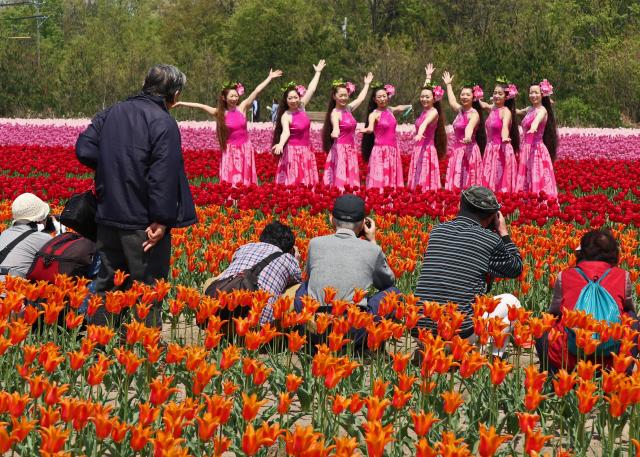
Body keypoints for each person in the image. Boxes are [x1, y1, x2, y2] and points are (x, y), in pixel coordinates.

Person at [75, 64, 197, 329]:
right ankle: (146, 347)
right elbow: (162, 176)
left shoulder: (112, 112)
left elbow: (84, 148)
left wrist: (114, 165)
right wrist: (162, 220)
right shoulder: (163, 122)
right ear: (174, 94)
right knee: (148, 287)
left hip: (108, 215)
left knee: (107, 285)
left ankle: (100, 345)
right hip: (143, 222)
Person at [414, 186, 523, 354]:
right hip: (458, 336)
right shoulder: (490, 240)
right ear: (492, 217)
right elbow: (516, 268)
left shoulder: (436, 231)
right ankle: (493, 357)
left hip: (420, 334)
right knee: (511, 302)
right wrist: (503, 232)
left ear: (460, 206)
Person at [536, 230, 637, 373]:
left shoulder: (564, 275)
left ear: (582, 252)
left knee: (542, 322)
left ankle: (550, 370)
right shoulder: (623, 276)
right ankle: (622, 370)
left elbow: (554, 311)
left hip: (566, 359)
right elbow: (628, 307)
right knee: (632, 317)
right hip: (610, 360)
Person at [295, 194, 397, 318]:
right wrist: (372, 241)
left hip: (317, 323)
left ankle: (304, 320)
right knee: (394, 293)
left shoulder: (315, 243)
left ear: (331, 219)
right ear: (363, 223)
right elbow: (387, 283)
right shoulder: (372, 250)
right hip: (354, 324)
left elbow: (311, 280)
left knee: (304, 285)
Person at [175, 69, 282, 186]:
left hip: (245, 148)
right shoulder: (220, 113)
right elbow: (201, 106)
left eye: (236, 96)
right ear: (224, 98)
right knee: (232, 181)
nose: (234, 98)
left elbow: (256, 90)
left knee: (245, 179)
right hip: (230, 150)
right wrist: (182, 103)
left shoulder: (242, 108)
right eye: (231, 96)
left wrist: (269, 78)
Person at [217, 221, 302, 325]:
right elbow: (299, 281)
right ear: (289, 248)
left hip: (219, 313)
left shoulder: (244, 247)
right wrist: (296, 259)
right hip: (257, 323)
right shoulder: (287, 258)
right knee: (297, 288)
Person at [272, 59, 326, 186]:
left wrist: (318, 72)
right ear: (286, 100)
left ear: (299, 98)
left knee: (306, 183)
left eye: (295, 97)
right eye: (290, 98)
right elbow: (285, 132)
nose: (293, 100)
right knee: (294, 181)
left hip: (307, 150)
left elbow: (311, 89)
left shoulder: (302, 107)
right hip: (293, 152)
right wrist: (280, 144)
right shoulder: (286, 116)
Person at [321, 72, 373, 190]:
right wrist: (335, 131)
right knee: (340, 180)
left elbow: (361, 98)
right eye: (341, 95)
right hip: (340, 150)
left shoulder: (348, 108)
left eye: (346, 95)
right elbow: (335, 125)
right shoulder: (335, 112)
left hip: (350, 149)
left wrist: (366, 84)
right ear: (334, 96)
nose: (344, 98)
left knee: (350, 180)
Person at [359, 83, 412, 190]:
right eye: (379, 97)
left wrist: (410, 106)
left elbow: (400, 107)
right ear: (374, 99)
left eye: (384, 96)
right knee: (380, 178)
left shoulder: (390, 110)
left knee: (391, 178)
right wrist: (364, 130)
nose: (382, 99)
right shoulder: (374, 114)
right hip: (380, 151)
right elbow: (370, 128)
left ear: (388, 96)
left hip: (393, 150)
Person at [441, 72, 486, 191]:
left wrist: (467, 137)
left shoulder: (474, 114)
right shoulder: (460, 110)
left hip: (469, 151)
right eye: (462, 94)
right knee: (456, 183)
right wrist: (449, 85)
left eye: (467, 95)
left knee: (468, 183)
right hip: (457, 151)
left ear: (473, 97)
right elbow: (452, 102)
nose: (464, 97)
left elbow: (469, 127)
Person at [515, 79, 558, 197]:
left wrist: (533, 127)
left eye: (536, 93)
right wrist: (510, 97)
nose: (533, 95)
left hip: (537, 150)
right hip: (526, 149)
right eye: (531, 93)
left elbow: (537, 120)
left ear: (542, 94)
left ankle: (539, 205)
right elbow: (517, 111)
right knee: (527, 177)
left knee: (537, 176)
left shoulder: (542, 110)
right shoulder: (529, 109)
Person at [407, 63, 447, 191]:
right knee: (417, 180)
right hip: (418, 149)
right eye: (422, 96)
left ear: (434, 99)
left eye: (427, 97)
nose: (424, 99)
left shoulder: (434, 112)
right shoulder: (424, 111)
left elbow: (424, 123)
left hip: (427, 151)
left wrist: (419, 134)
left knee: (425, 181)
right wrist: (428, 76)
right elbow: (427, 89)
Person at [0, 193, 55, 280]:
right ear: (40, 219)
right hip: (14, 290)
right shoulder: (43, 238)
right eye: (46, 217)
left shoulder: (4, 233)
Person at [478, 78, 519, 193]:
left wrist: (505, 137)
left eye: (500, 94)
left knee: (500, 183)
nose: (496, 96)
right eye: (495, 93)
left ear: (506, 97)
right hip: (490, 149)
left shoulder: (506, 111)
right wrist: (475, 94)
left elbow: (505, 126)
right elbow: (483, 104)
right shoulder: (492, 108)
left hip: (502, 149)